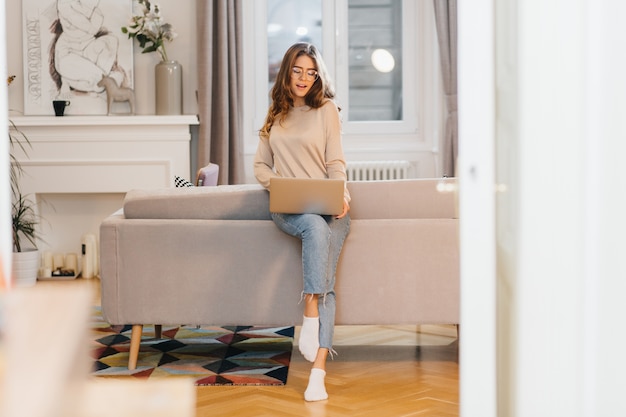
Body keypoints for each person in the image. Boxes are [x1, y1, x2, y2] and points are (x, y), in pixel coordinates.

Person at [254, 42, 351, 402]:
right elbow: (261, 166)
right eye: (298, 70)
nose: (304, 78)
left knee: (326, 275)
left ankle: (318, 371)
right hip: (288, 208)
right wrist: (278, 186)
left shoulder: (326, 110)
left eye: (312, 72)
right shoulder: (274, 113)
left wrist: (342, 196)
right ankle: (310, 317)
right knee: (312, 226)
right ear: (286, 71)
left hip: (329, 206)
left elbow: (335, 162)